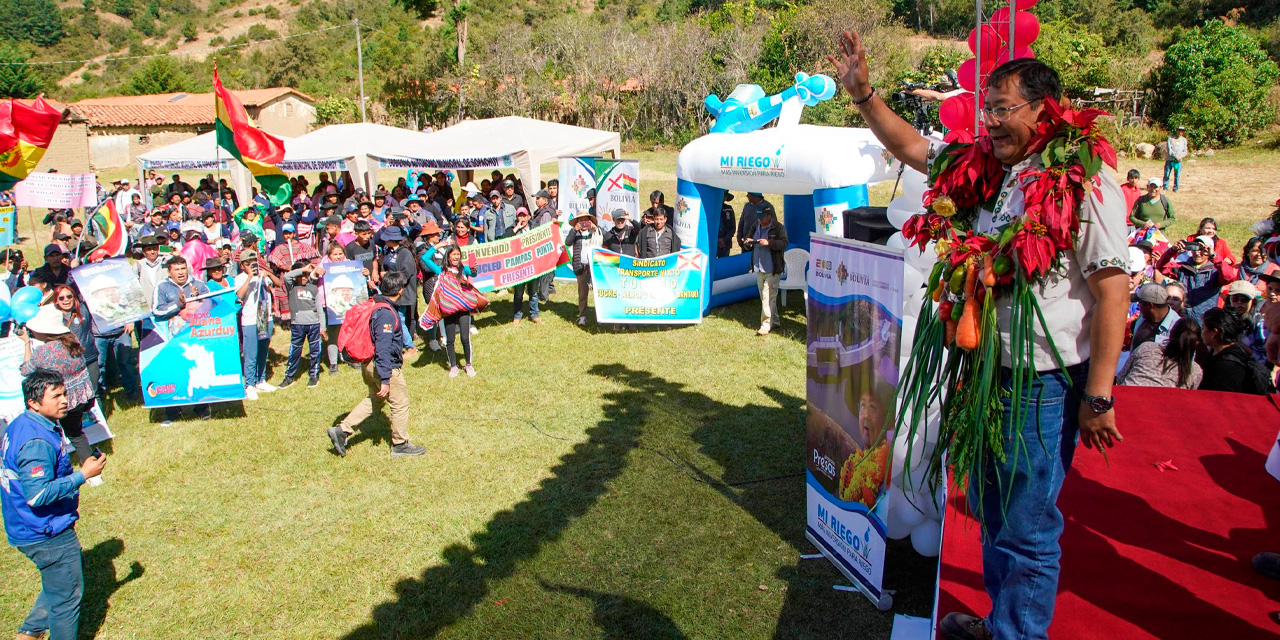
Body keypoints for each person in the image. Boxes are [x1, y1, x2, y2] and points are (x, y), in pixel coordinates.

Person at [830, 37, 1129, 640]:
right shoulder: (990, 171)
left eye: (1002, 108)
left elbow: (1113, 291)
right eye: (985, 108)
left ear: (1046, 110)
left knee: (1027, 528)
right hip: (984, 372)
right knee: (994, 513)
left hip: (1042, 384)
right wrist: (863, 95)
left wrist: (1098, 396)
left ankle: (1019, 634)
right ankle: (1003, 625)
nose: (989, 121)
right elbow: (914, 147)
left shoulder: (1085, 186)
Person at [1, 370, 108, 640]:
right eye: (56, 396)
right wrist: (83, 474)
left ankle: (31, 632)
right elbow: (37, 496)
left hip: (26, 527)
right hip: (46, 532)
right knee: (66, 599)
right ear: (34, 403)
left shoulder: (24, 423)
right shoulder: (36, 441)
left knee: (59, 581)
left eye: (64, 394)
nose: (64, 400)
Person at [327, 270, 426, 458]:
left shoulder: (376, 304)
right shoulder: (386, 314)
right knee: (400, 403)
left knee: (375, 399)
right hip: (381, 365)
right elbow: (383, 347)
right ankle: (400, 444)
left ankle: (341, 431)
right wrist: (386, 378)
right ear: (399, 291)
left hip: (368, 364)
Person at [18, 306, 100, 464]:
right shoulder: (71, 341)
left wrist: (26, 343)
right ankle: (89, 464)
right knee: (76, 432)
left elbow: (25, 370)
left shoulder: (44, 352)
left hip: (58, 400)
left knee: (59, 434)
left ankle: (73, 465)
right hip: (79, 397)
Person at [152, 256, 212, 424]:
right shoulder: (162, 287)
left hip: (197, 338)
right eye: (177, 269)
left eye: (183, 268)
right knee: (173, 372)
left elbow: (212, 305)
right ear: (169, 272)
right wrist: (179, 304)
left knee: (197, 370)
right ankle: (172, 411)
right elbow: (156, 311)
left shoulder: (199, 284)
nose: (181, 272)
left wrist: (198, 299)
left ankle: (201, 407)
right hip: (172, 339)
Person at [235, 250, 282, 400]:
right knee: (251, 353)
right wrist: (249, 277)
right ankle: (249, 384)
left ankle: (260, 380)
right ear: (243, 265)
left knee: (263, 351)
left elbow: (278, 284)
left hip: (264, 318)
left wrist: (268, 274)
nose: (252, 266)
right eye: (248, 263)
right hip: (250, 320)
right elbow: (239, 295)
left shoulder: (262, 275)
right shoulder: (240, 278)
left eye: (254, 262)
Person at [1157, 235, 1237, 323]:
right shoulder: (1183, 268)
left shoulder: (1215, 271)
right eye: (1195, 249)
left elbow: (1229, 277)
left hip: (1205, 321)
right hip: (1183, 319)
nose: (1198, 253)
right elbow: (1162, 267)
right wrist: (1172, 250)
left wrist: (1214, 256)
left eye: (1202, 249)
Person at [1198, 307, 1274, 395]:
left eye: (1203, 327)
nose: (1202, 331)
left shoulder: (1226, 367)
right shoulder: (1219, 353)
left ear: (1214, 332)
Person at [428, 244, 477, 377]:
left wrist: (473, 270)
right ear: (448, 256)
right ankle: (453, 366)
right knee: (450, 339)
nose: (456, 257)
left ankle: (468, 365)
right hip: (448, 310)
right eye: (453, 254)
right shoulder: (441, 271)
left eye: (458, 254)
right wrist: (439, 245)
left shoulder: (463, 269)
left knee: (465, 338)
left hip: (463, 309)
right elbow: (426, 258)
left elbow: (473, 273)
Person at [48, 285, 102, 403]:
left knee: (94, 393)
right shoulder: (52, 318)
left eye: (69, 296)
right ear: (56, 301)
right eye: (61, 298)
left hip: (89, 357)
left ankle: (99, 420)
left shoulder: (83, 309)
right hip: (69, 362)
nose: (66, 300)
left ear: (74, 297)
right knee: (74, 397)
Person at [742, 202, 788, 335]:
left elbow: (784, 243)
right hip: (759, 267)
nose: (760, 220)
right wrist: (747, 243)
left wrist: (769, 243)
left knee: (768, 297)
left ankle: (766, 325)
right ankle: (776, 320)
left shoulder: (778, 228)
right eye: (759, 217)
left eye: (762, 217)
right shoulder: (755, 226)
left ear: (769, 215)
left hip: (773, 268)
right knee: (766, 297)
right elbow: (748, 239)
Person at [1117, 318, 1203, 389]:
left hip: (1127, 401)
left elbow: (1121, 378)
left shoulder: (1146, 348)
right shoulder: (1195, 371)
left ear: (1170, 334)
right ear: (1197, 343)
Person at [279, 261, 324, 389]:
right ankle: (289, 377)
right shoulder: (291, 287)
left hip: (313, 324)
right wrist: (303, 269)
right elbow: (286, 276)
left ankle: (313, 376)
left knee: (315, 351)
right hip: (297, 324)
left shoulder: (313, 288)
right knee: (294, 351)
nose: (303, 278)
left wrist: (323, 326)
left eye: (306, 275)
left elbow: (319, 308)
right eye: (301, 275)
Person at [377, 225, 420, 353]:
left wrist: (388, 275)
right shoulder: (389, 252)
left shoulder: (404, 253)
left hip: (402, 293)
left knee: (399, 318)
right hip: (391, 291)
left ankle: (410, 347)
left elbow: (406, 273)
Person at [563, 210, 602, 326]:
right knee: (582, 293)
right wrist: (574, 230)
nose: (584, 223)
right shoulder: (576, 233)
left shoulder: (595, 232)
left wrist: (595, 229)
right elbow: (567, 242)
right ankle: (582, 316)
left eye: (586, 220)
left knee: (597, 292)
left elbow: (602, 240)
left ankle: (599, 315)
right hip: (581, 266)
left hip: (594, 267)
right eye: (581, 221)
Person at [509, 209, 542, 324]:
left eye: (524, 216)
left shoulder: (535, 229)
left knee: (533, 292)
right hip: (519, 267)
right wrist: (516, 228)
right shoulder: (513, 230)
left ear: (529, 217)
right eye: (520, 216)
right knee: (518, 293)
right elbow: (504, 239)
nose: (522, 219)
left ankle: (534, 314)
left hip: (533, 266)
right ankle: (517, 316)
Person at [1128, 282, 1179, 350]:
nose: (1138, 306)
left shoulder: (1178, 327)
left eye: (1140, 303)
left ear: (1150, 306)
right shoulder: (1143, 316)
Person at [1164, 125, 1188, 192]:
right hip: (1170, 159)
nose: (1180, 132)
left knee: (1177, 175)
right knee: (1167, 174)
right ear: (1176, 130)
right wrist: (1175, 156)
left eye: (1182, 131)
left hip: (1178, 161)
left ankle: (1176, 188)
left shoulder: (1184, 140)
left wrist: (1180, 157)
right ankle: (1165, 187)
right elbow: (1170, 150)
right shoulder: (1170, 139)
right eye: (1179, 130)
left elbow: (1185, 151)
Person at [718, 192, 737, 257]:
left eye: (725, 196)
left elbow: (733, 227)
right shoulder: (710, 209)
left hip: (725, 243)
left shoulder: (728, 209)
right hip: (712, 242)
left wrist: (724, 239)